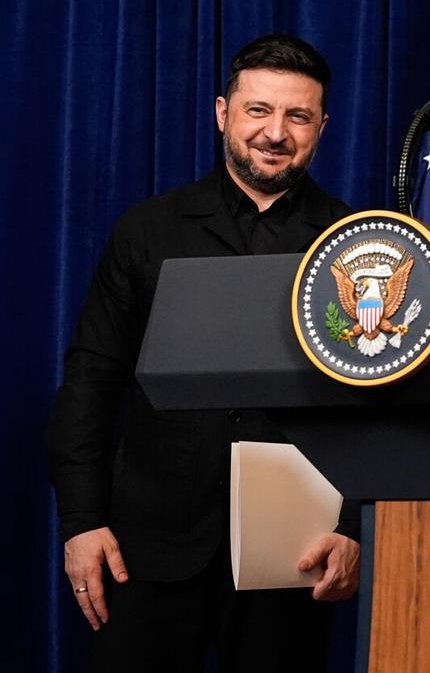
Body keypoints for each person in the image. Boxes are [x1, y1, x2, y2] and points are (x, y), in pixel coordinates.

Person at [47, 33, 361, 671]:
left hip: (296, 554)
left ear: (322, 127)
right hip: (145, 551)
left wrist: (354, 529)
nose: (275, 133)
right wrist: (81, 520)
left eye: (298, 116)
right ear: (223, 112)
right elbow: (90, 382)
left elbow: (374, 406)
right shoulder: (147, 231)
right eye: (258, 110)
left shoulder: (354, 242)